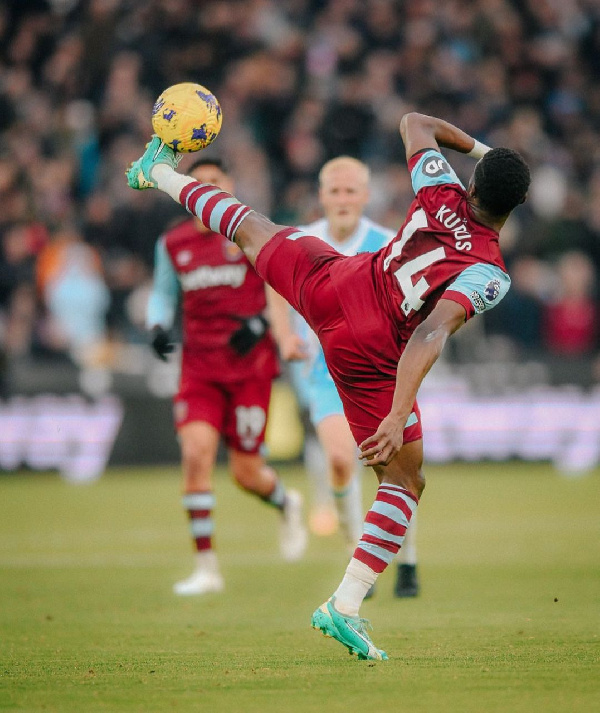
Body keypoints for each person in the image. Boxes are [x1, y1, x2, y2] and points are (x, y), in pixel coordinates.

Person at [127, 111, 530, 659]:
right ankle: (344, 605)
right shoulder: (490, 271)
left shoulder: (441, 188)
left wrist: (484, 150)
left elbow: (414, 122)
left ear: (474, 184)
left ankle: (161, 173)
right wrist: (396, 414)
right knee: (405, 482)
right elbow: (431, 332)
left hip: (339, 280)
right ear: (513, 209)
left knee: (252, 228)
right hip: (368, 349)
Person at [145, 157, 307, 597]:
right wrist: (157, 327)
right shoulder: (173, 243)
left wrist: (259, 325)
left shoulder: (248, 233)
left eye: (216, 182)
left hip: (250, 370)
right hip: (199, 370)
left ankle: (285, 502)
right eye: (199, 184)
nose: (208, 189)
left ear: (230, 185)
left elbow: (282, 285)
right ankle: (207, 567)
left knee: (246, 473)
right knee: (196, 457)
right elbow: (161, 294)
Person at [268, 155, 419, 598]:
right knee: (340, 460)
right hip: (323, 371)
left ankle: (408, 561)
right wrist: (283, 335)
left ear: (365, 196)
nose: (342, 198)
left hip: (379, 371)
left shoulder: (388, 243)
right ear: (321, 196)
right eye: (334, 191)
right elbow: (272, 284)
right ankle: (358, 552)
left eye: (351, 190)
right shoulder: (302, 240)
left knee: (396, 469)